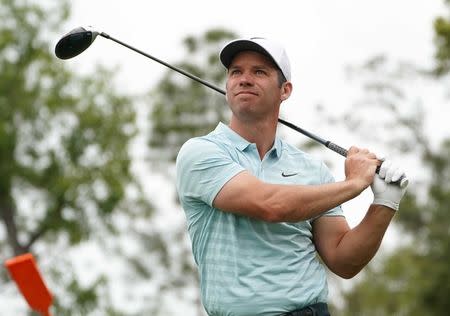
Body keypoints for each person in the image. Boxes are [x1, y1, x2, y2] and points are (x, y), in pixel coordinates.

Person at [176, 37, 409, 316]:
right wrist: (354, 183)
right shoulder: (201, 152)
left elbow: (343, 261)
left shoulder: (312, 170)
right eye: (236, 72)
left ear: (284, 90)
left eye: (259, 72)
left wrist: (385, 203)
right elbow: (271, 205)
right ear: (227, 86)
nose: (244, 79)